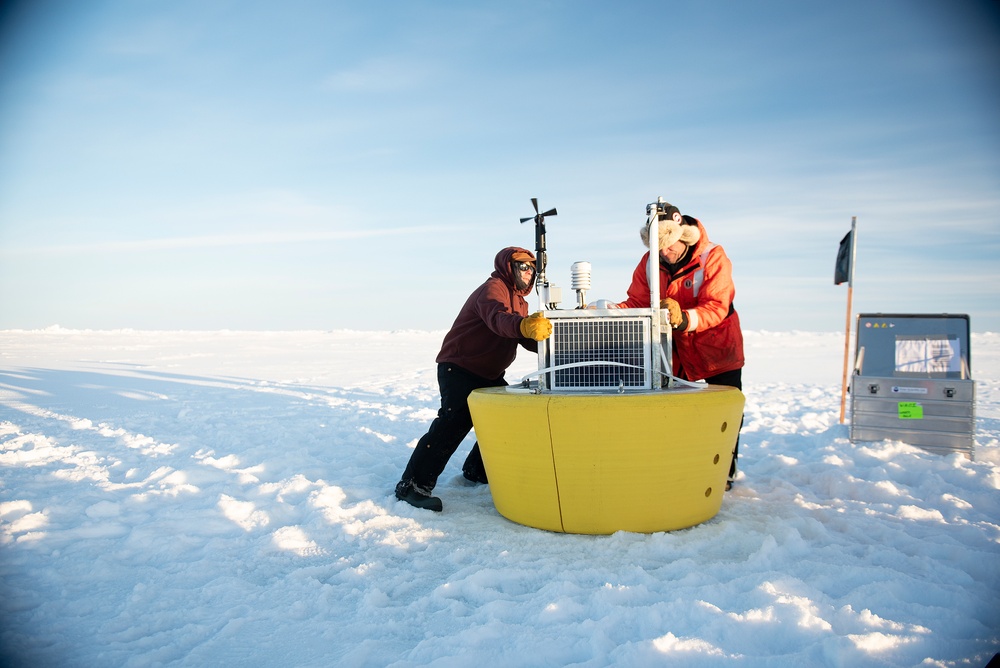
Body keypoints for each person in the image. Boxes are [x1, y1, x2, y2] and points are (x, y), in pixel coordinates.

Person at [394, 246, 553, 511]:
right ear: (509, 267)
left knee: (507, 415)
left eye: (532, 268)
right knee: (452, 424)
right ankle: (411, 487)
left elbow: (520, 335)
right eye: (522, 267)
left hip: (488, 374)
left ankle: (477, 471)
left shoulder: (519, 300)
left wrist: (553, 344)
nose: (528, 273)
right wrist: (523, 325)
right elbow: (498, 319)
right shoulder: (493, 289)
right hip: (459, 368)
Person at [614, 201, 745, 490]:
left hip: (717, 352)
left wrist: (684, 319)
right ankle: (685, 467)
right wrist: (610, 311)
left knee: (723, 416)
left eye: (668, 244)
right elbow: (637, 301)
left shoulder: (713, 256)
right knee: (681, 416)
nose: (663, 252)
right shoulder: (650, 262)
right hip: (676, 356)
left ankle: (724, 470)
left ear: (682, 235)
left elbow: (717, 305)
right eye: (657, 247)